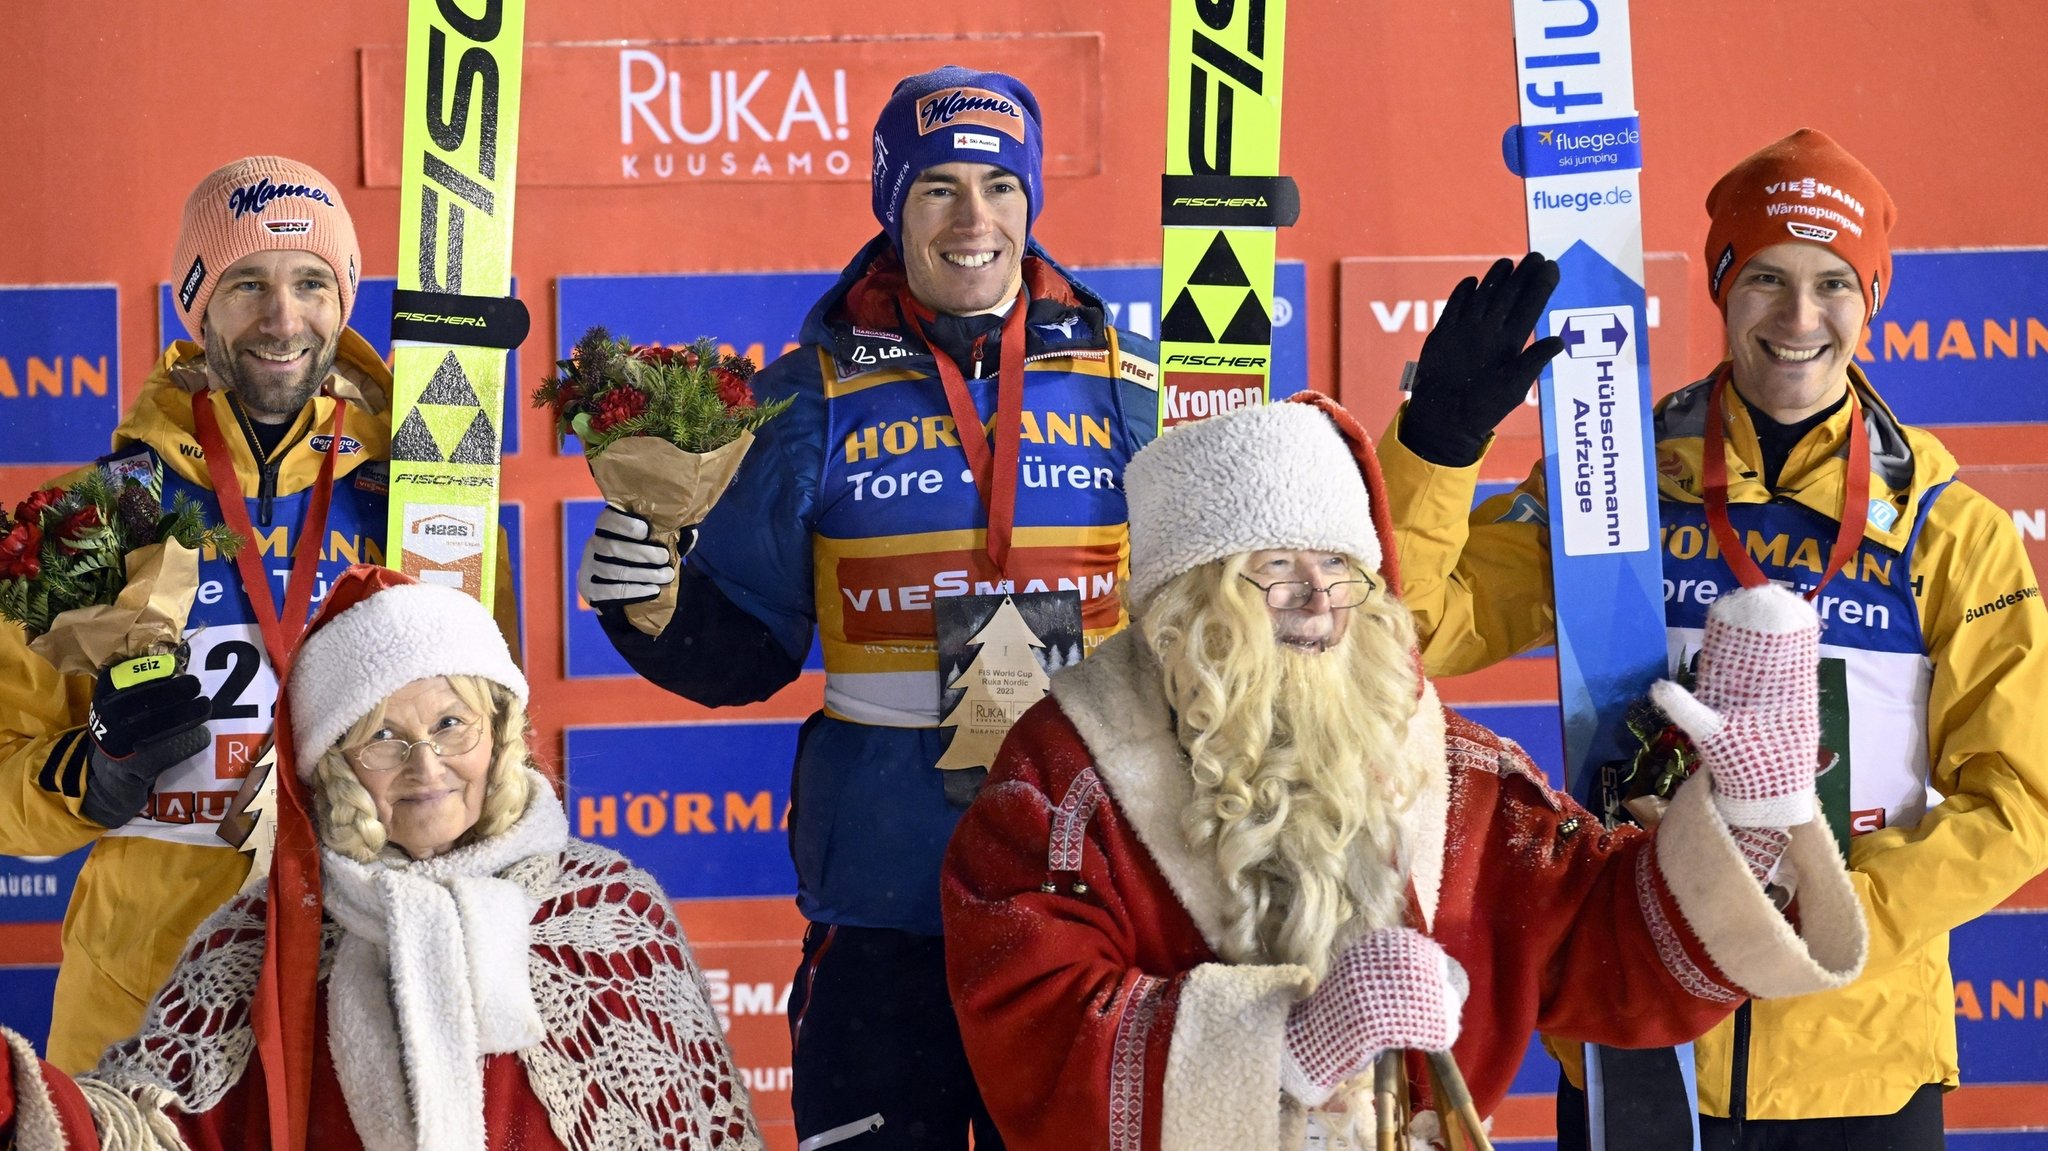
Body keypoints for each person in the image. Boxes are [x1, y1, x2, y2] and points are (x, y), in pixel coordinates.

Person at [939, 396, 1868, 1151]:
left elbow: (1606, 945)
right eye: (1274, 567)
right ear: (1189, 601)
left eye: (1340, 565)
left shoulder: (1453, 771)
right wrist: (1286, 1044)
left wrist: (1748, 820)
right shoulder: (1066, 777)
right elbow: (1034, 1030)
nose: (1319, 599)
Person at [1382, 129, 2048, 1145]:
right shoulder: (1613, 483)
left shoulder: (1945, 528)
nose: (1797, 316)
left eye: (1833, 282)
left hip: (1852, 1056)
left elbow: (2018, 797)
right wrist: (1434, 446)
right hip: (1636, 1021)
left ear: (1871, 298)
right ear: (1719, 283)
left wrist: (1829, 908)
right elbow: (1418, 629)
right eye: (1766, 278)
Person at [576, 66, 1159, 1150]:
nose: (972, 218)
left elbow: (1216, 620)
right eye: (937, 187)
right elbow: (748, 647)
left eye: (998, 184)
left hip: (1094, 895)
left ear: (1031, 203)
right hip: (891, 903)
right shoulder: (811, 392)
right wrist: (650, 603)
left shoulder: (1131, 384)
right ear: (893, 207)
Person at [0, 155, 510, 1071]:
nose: (284, 318)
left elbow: (490, 745)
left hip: (368, 980)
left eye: (312, 282)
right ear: (197, 303)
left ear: (344, 298)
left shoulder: (421, 512)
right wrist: (94, 775)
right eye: (247, 284)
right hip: (144, 994)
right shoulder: (98, 516)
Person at [0, 564, 759, 1151]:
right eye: (383, 738)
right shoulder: (260, 943)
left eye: (452, 723)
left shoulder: (606, 912)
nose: (426, 767)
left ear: (498, 730)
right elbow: (151, 1131)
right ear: (335, 765)